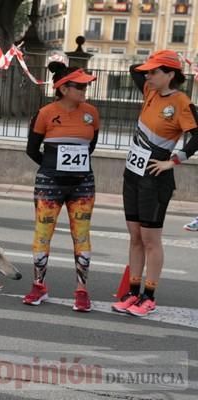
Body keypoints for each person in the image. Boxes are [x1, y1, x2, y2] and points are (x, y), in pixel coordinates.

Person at [111, 50, 198, 317]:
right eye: (148, 72)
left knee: (150, 240)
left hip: (155, 178)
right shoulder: (149, 91)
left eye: (155, 71)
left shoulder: (182, 102)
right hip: (133, 174)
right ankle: (132, 293)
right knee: (135, 236)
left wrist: (173, 161)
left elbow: (196, 137)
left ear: (171, 74)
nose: (147, 75)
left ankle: (149, 297)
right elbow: (134, 70)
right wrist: (155, 62)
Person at [22, 61, 99, 312]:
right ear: (64, 88)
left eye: (86, 86)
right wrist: (52, 167)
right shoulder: (45, 113)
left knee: (82, 235)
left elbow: (90, 146)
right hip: (50, 183)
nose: (84, 91)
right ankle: (38, 285)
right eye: (80, 86)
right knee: (43, 234)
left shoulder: (91, 113)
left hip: (82, 184)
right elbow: (32, 149)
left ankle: (82, 290)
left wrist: (73, 167)